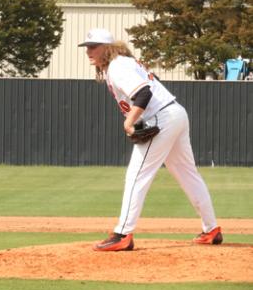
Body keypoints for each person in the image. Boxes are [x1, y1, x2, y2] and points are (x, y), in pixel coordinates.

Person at [79, 28, 222, 251]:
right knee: (187, 174)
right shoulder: (123, 62)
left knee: (136, 176)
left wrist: (129, 122)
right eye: (87, 47)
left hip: (161, 119)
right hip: (174, 113)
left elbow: (144, 93)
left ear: (107, 48)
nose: (89, 51)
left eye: (93, 46)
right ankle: (211, 229)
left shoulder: (117, 66)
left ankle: (123, 234)